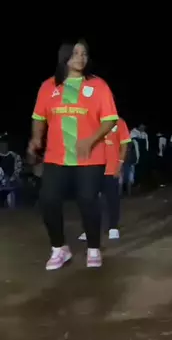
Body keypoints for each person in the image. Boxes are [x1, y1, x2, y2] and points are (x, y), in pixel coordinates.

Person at [29, 40, 119, 270]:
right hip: (56, 157)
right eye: (76, 53)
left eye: (84, 54)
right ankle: (59, 248)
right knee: (48, 200)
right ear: (65, 57)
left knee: (88, 200)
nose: (81, 58)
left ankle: (93, 248)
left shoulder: (98, 85)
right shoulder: (48, 86)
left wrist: (90, 140)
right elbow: (39, 117)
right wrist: (36, 138)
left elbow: (110, 120)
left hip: (90, 156)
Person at [78, 117, 131, 241]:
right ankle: (89, 229)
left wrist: (119, 165)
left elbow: (124, 145)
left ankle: (113, 227)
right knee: (90, 200)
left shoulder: (119, 122)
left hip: (111, 169)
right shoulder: (90, 120)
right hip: (92, 168)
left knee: (112, 199)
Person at [0, 136, 22, 208]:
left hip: (11, 182)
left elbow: (18, 169)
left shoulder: (14, 156)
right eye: (2, 144)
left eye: (5, 144)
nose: (3, 146)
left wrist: (12, 178)